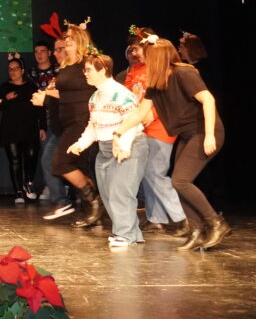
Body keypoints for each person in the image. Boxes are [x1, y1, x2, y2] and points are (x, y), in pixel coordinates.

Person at [114, 37, 230, 251]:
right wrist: (118, 132)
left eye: (146, 56)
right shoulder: (156, 83)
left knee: (180, 180)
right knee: (179, 183)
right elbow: (141, 112)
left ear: (157, 58)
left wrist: (209, 135)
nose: (142, 59)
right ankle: (197, 230)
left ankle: (215, 223)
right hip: (187, 135)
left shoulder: (183, 73)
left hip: (204, 132)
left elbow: (209, 100)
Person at [66, 53, 148, 248]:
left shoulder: (122, 94)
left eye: (89, 70)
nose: (85, 74)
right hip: (104, 149)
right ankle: (132, 233)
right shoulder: (95, 96)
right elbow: (93, 126)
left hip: (128, 145)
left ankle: (125, 235)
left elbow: (131, 122)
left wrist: (124, 146)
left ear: (103, 70)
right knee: (108, 193)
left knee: (121, 191)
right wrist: (80, 144)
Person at [118, 28, 187, 235]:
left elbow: (161, 99)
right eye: (133, 48)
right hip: (141, 127)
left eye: (139, 47)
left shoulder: (159, 69)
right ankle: (156, 218)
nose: (135, 52)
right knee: (147, 174)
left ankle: (183, 217)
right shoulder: (135, 70)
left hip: (160, 127)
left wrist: (147, 117)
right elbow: (129, 97)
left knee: (155, 173)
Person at [31, 20, 100, 226]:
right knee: (75, 166)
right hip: (68, 122)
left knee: (60, 163)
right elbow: (65, 91)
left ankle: (94, 200)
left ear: (79, 41)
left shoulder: (86, 64)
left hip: (81, 121)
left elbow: (87, 89)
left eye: (69, 38)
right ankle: (92, 208)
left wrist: (47, 96)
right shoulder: (67, 65)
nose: (65, 41)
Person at [0, 54, 41, 204]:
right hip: (10, 130)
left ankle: (28, 182)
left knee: (31, 154)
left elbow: (39, 108)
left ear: (22, 71)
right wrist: (6, 99)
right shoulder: (5, 87)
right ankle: (18, 192)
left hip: (29, 129)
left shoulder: (31, 87)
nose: (13, 72)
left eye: (16, 69)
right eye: (10, 69)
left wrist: (43, 127)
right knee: (15, 160)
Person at [27, 41, 64, 206]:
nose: (39, 54)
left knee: (63, 155)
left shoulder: (59, 70)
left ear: (49, 53)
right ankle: (52, 188)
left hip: (62, 117)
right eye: (36, 52)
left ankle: (69, 188)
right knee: (46, 155)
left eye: (43, 51)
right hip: (43, 120)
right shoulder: (32, 73)